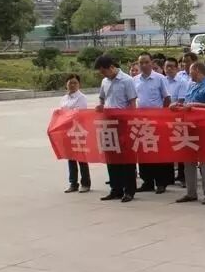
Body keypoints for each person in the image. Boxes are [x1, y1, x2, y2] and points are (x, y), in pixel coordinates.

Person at [172, 62, 205, 205]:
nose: (189, 73)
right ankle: (191, 192)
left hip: (204, 128)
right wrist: (178, 106)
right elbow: (187, 103)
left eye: (190, 70)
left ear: (197, 70)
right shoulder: (192, 85)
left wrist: (195, 105)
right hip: (189, 127)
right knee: (188, 161)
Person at [94, 55, 138, 202]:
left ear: (111, 67)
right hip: (108, 124)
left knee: (126, 158)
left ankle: (129, 190)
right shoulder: (104, 81)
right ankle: (115, 189)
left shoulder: (127, 80)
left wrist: (131, 123)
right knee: (111, 157)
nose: (103, 74)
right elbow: (102, 98)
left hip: (124, 124)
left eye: (103, 71)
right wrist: (100, 106)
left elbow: (132, 103)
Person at [133, 52, 172, 194]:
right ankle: (147, 181)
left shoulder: (160, 78)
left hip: (157, 121)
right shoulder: (134, 80)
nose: (143, 65)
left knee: (158, 152)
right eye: (141, 63)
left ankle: (161, 182)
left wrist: (163, 115)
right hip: (141, 122)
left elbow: (167, 98)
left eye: (146, 62)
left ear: (151, 63)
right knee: (144, 152)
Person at [60, 73, 91, 193]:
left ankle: (86, 183)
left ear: (79, 84)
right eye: (70, 83)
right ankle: (73, 183)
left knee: (81, 158)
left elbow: (79, 114)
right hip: (66, 131)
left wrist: (68, 114)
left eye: (75, 83)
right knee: (70, 157)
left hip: (78, 131)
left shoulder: (81, 98)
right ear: (66, 84)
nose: (72, 85)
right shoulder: (64, 98)